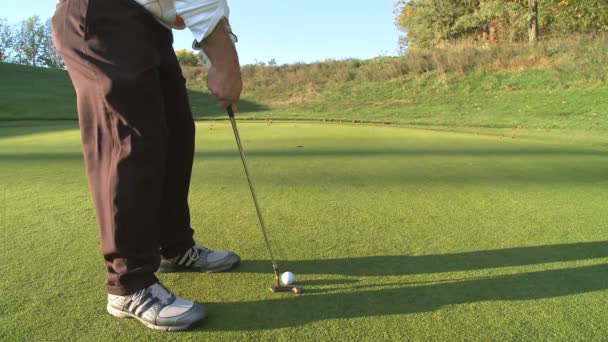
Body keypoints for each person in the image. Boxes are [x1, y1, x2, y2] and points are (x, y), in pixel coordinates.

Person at [51, 0, 243, 332]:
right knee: (130, 139)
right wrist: (224, 60)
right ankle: (127, 282)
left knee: (176, 131)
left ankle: (173, 246)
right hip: (101, 13)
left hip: (148, 23)